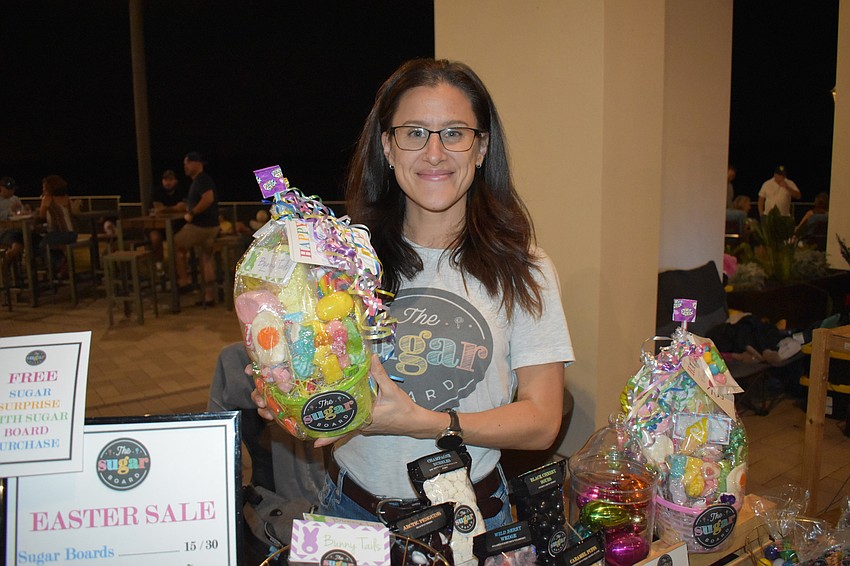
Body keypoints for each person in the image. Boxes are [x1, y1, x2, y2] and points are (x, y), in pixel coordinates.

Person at [250, 58, 574, 530]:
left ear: (481, 147)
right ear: (388, 145)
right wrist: (290, 388)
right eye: (415, 133)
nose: (435, 153)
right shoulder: (341, 262)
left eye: (455, 133)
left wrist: (429, 423)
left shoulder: (525, 267)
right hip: (351, 513)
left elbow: (543, 421)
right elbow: (324, 372)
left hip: (476, 521)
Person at [174, 151, 220, 306]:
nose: (185, 167)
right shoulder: (201, 180)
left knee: (175, 243)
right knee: (206, 258)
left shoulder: (201, 180)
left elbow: (208, 198)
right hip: (212, 226)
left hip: (202, 226)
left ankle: (184, 281)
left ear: (196, 164)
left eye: (186, 163)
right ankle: (209, 296)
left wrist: (192, 213)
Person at [36, 174, 77, 275]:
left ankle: (59, 265)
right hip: (72, 234)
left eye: (44, 186)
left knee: (41, 245)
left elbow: (41, 217)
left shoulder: (48, 198)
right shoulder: (66, 198)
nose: (43, 188)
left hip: (59, 233)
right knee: (51, 246)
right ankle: (62, 265)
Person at [149, 169, 187, 264]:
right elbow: (158, 209)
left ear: (175, 181)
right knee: (155, 238)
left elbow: (183, 207)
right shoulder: (157, 191)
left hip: (176, 226)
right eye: (165, 180)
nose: (167, 182)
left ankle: (178, 267)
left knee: (180, 239)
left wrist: (164, 208)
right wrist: (175, 208)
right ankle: (159, 267)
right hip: (158, 226)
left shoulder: (181, 191)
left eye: (170, 180)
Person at [0, 176, 25, 269]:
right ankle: (4, 267)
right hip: (3, 231)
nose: (12, 192)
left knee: (32, 239)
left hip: (18, 229)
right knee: (17, 245)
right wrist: (10, 211)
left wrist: (24, 211)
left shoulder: (15, 199)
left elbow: (21, 212)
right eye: (9, 189)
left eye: (12, 189)